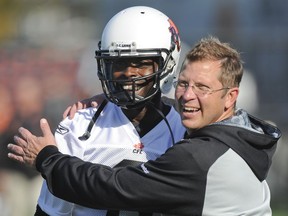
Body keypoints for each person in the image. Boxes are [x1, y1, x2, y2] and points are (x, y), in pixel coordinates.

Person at [8, 36, 282, 216]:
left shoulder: (199, 157)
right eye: (183, 84)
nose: (187, 95)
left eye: (202, 87)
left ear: (230, 97)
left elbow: (115, 187)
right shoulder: (240, 137)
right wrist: (121, 97)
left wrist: (48, 158)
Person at [11, 6, 184, 216]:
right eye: (118, 62)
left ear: (167, 65)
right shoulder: (79, 124)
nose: (128, 73)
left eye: (140, 63)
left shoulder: (186, 129)